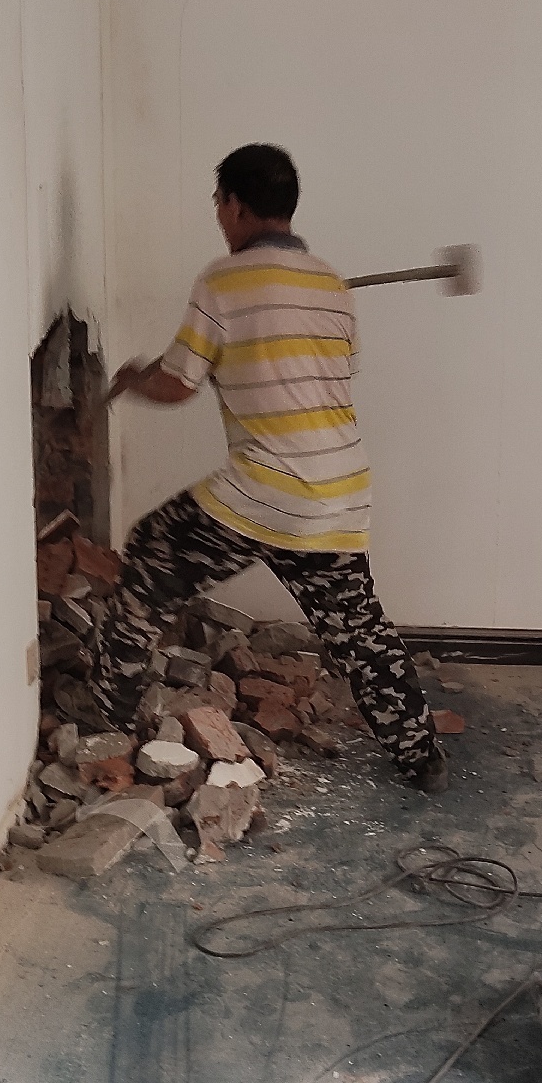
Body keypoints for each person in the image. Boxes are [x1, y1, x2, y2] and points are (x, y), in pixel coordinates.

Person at [91, 143, 447, 792]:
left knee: (151, 553)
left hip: (267, 489)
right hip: (339, 490)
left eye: (218, 203)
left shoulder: (222, 282)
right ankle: (421, 755)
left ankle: (107, 721)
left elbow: (178, 384)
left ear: (234, 205)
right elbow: (333, 372)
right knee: (359, 631)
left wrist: (134, 379)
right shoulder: (332, 285)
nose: (218, 216)